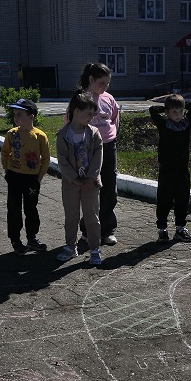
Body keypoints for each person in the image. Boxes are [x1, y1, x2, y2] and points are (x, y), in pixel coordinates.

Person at [66, 63, 120, 245]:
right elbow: (69, 123)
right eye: (101, 83)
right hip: (86, 150)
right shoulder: (80, 99)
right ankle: (88, 229)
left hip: (108, 147)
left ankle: (107, 229)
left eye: (107, 83)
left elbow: (115, 120)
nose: (105, 87)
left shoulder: (109, 98)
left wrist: (110, 139)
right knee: (90, 190)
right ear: (91, 79)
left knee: (109, 189)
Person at [56, 92, 103, 265]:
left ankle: (95, 249)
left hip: (91, 183)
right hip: (71, 184)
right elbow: (62, 160)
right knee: (71, 216)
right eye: (88, 113)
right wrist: (74, 179)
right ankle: (70, 247)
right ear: (76, 111)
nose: (92, 117)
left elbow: (99, 156)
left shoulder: (94, 133)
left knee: (92, 217)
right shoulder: (62, 135)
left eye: (93, 113)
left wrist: (91, 177)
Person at [0, 98, 50, 255]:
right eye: (15, 114)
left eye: (20, 114)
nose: (16, 118)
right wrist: (7, 170)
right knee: (14, 209)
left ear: (31, 117)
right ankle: (15, 239)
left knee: (31, 209)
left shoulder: (40, 136)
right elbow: (5, 153)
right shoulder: (11, 134)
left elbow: (46, 158)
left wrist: (39, 176)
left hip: (31, 179)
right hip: (14, 177)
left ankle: (32, 237)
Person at [149, 94, 191, 242]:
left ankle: (180, 228)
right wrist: (166, 107)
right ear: (167, 113)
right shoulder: (164, 125)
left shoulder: (186, 124)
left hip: (182, 170)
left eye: (180, 111)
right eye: (174, 112)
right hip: (167, 171)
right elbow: (152, 110)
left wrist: (181, 105)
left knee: (182, 199)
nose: (178, 115)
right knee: (164, 199)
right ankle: (162, 229)